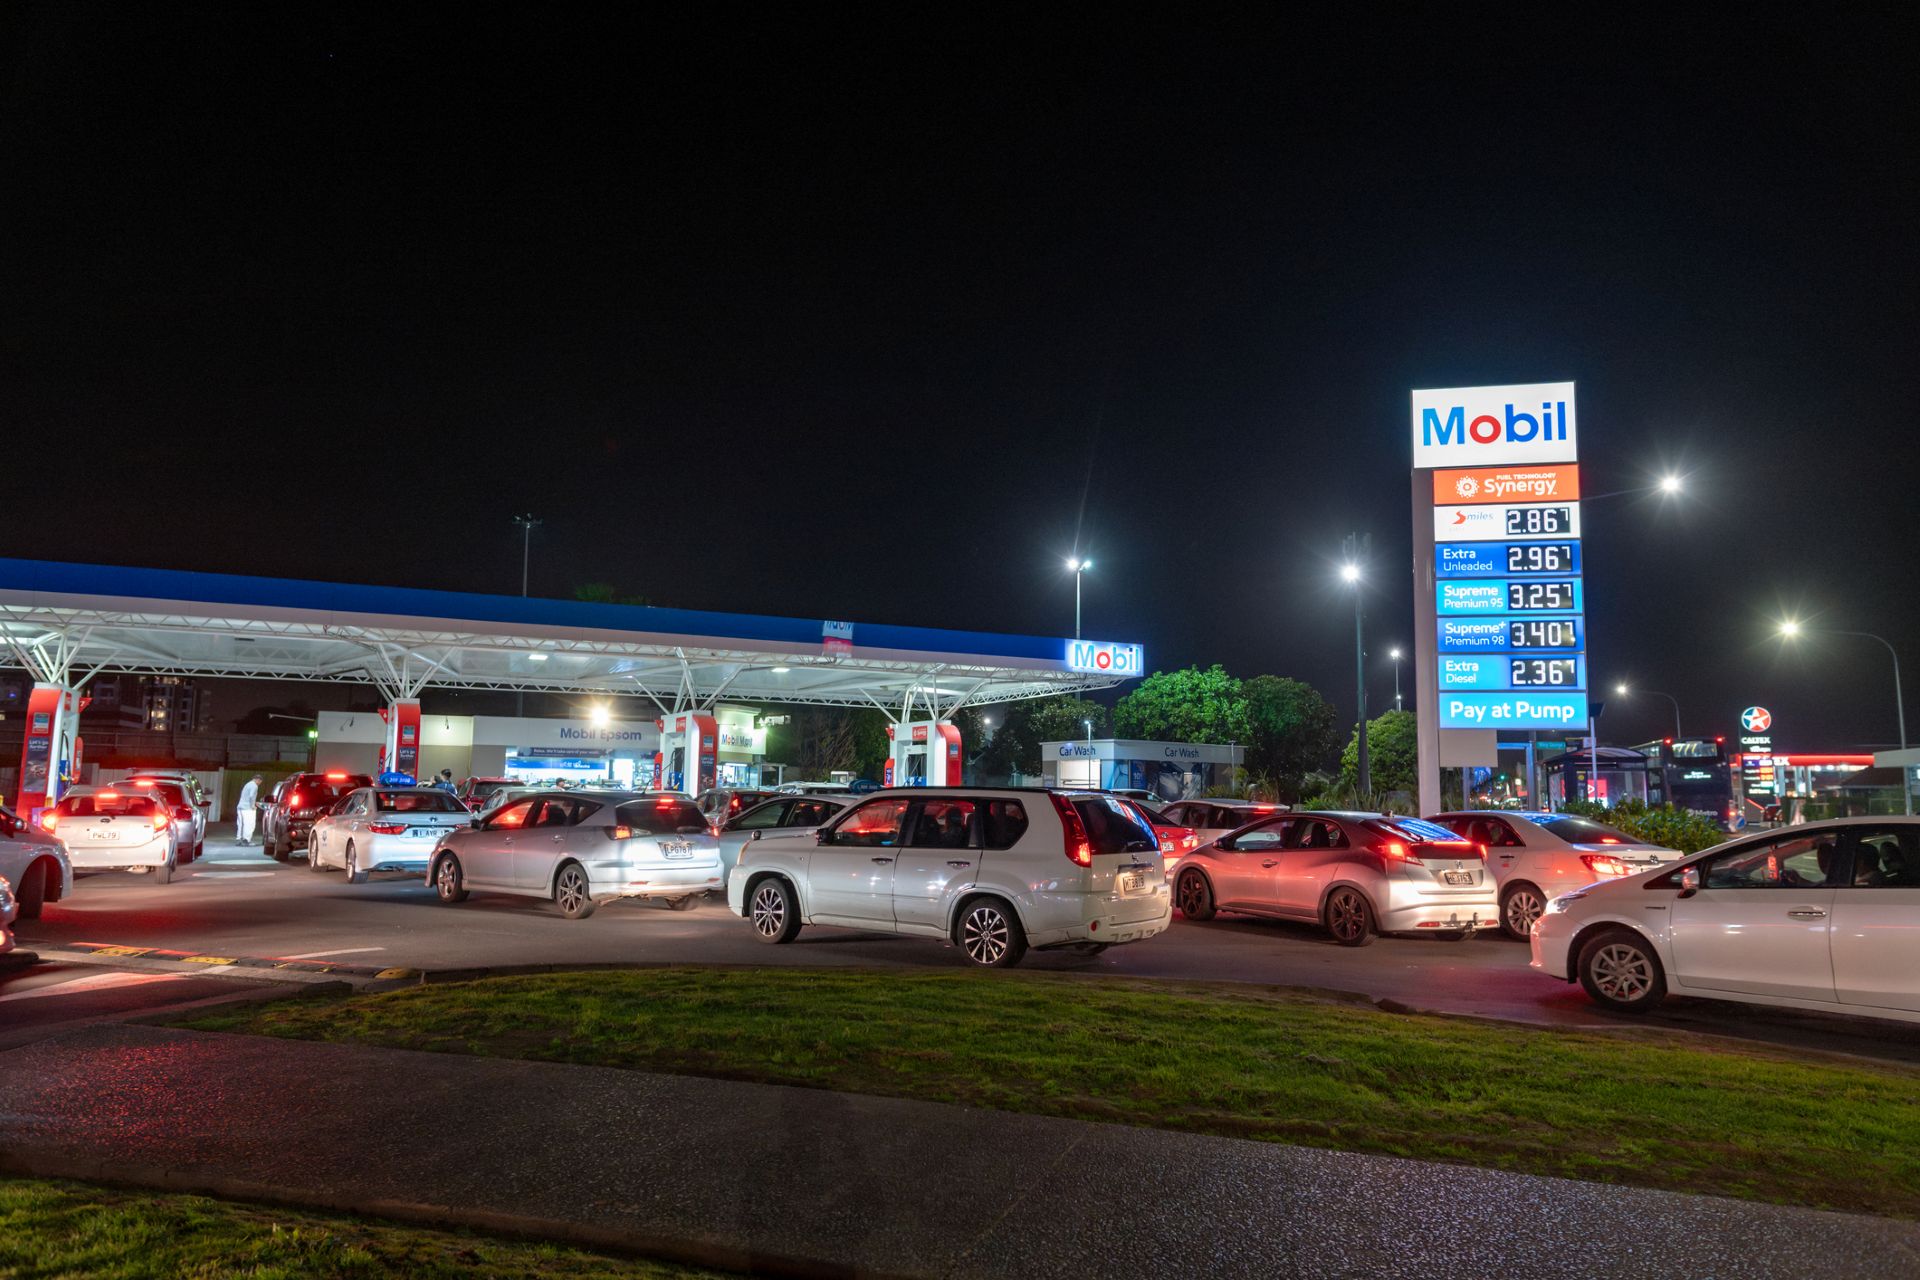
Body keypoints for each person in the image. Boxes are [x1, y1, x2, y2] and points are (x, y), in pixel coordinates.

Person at [235, 773, 263, 845]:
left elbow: (246, 796)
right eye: (260, 782)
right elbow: (251, 796)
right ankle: (246, 840)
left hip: (240, 807)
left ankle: (239, 839)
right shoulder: (254, 786)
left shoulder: (248, 784)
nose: (259, 784)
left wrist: (255, 802)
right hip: (248, 808)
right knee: (249, 824)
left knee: (241, 824)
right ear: (258, 780)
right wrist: (252, 805)